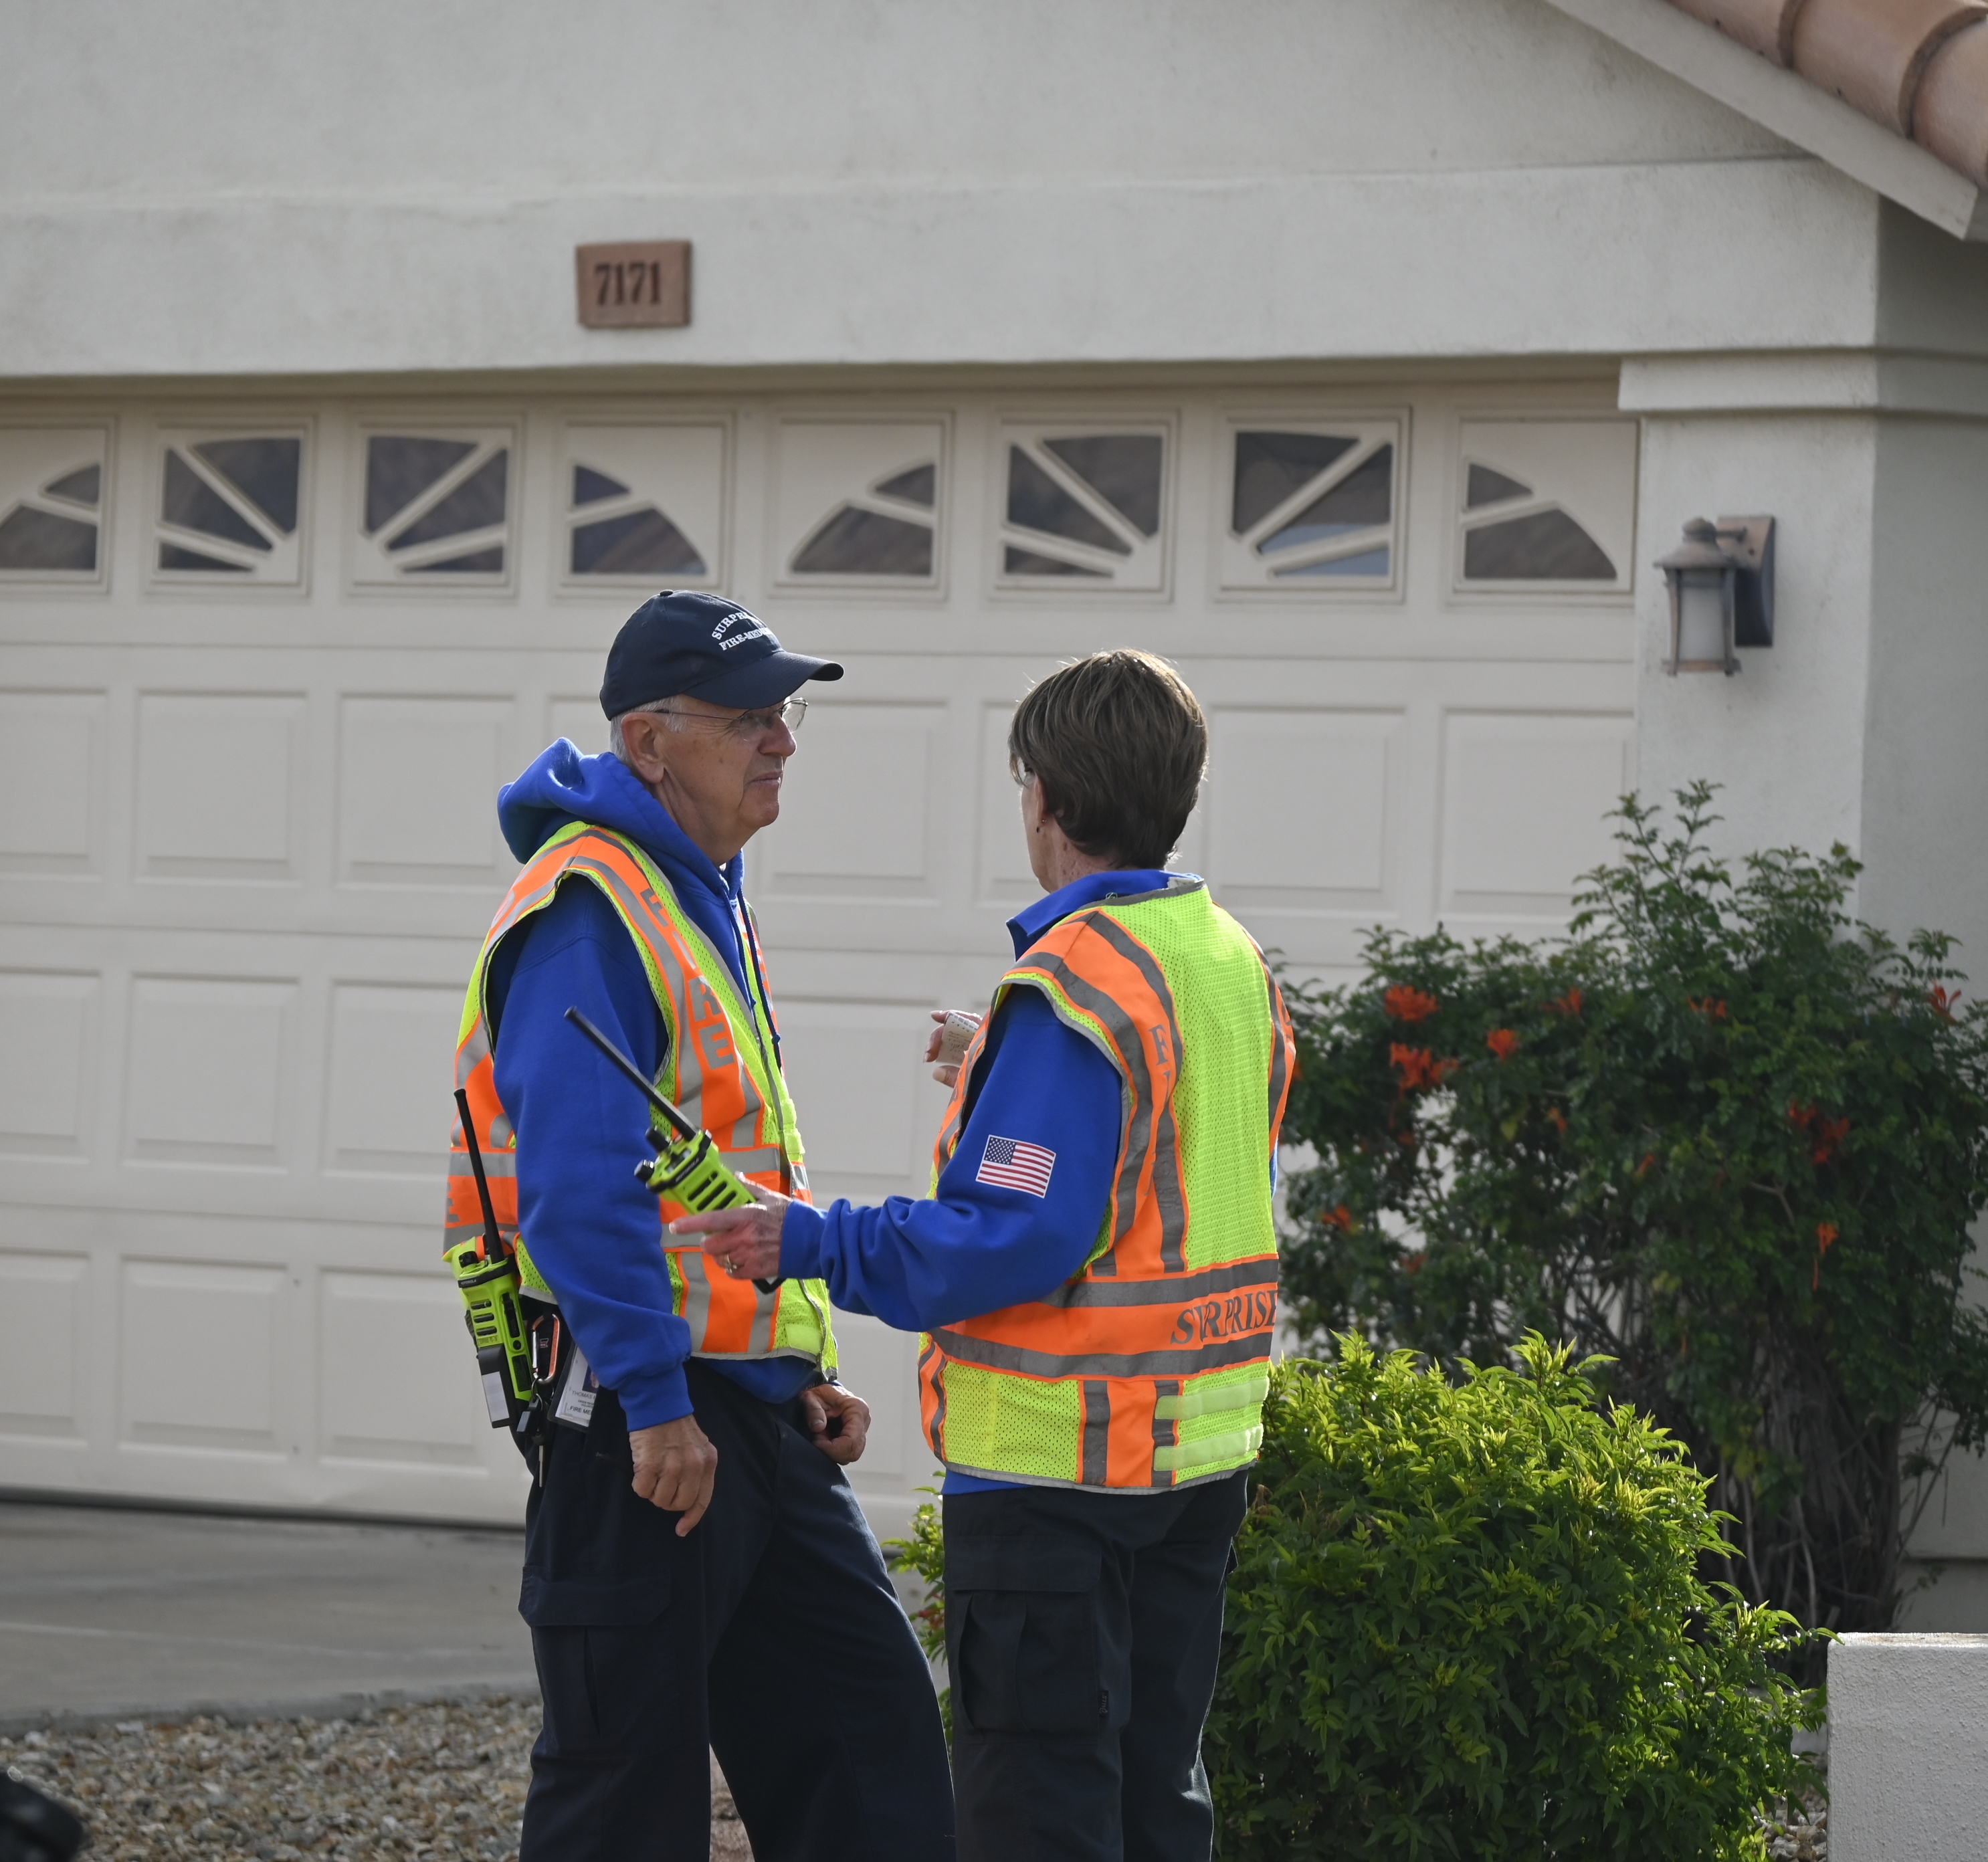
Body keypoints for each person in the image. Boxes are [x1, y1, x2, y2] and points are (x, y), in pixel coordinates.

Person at [678, 649, 1294, 1862]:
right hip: (1197, 1458)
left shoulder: (1074, 986)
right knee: (1154, 1804)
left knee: (1040, 1818)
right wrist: (1003, 1066)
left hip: (1059, 1477)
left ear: (1045, 798)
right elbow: (1171, 1139)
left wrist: (808, 1239)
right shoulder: (1226, 958)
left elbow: (1012, 1239)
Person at [446, 591, 955, 1862]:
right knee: (624, 1798)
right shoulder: (591, 909)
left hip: (750, 1410)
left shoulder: (693, 888)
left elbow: (716, 1172)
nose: (780, 739)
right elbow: (579, 1186)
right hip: (646, 1425)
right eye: (745, 719)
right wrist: (656, 1400)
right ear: (648, 741)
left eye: (784, 713)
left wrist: (797, 1361)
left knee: (874, 1759)